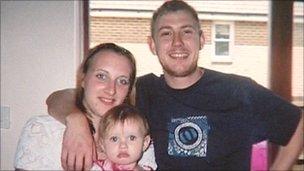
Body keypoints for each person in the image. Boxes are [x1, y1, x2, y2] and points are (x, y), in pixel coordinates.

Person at [47, 0, 304, 170]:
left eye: (187, 32)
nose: (178, 43)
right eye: (166, 33)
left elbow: (297, 122)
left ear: (202, 39)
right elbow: (63, 97)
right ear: (152, 44)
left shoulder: (239, 90)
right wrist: (76, 120)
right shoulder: (144, 90)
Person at [14, 43, 156, 170]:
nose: (111, 89)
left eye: (122, 81)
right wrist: (76, 120)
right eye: (101, 76)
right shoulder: (43, 131)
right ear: (83, 79)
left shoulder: (139, 138)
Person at [91, 103, 152, 171]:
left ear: (145, 143)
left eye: (131, 138)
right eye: (115, 139)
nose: (123, 145)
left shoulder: (149, 167)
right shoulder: (98, 168)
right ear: (102, 145)